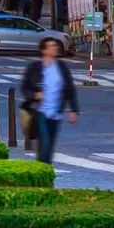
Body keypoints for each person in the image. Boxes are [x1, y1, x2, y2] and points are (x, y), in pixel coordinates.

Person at [19, 36, 83, 166]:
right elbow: (24, 87)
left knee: (50, 143)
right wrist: (34, 95)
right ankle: (44, 168)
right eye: (52, 46)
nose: (55, 48)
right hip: (39, 111)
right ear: (44, 50)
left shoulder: (62, 67)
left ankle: (43, 168)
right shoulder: (35, 67)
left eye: (56, 46)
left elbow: (70, 88)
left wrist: (74, 110)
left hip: (57, 112)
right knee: (45, 142)